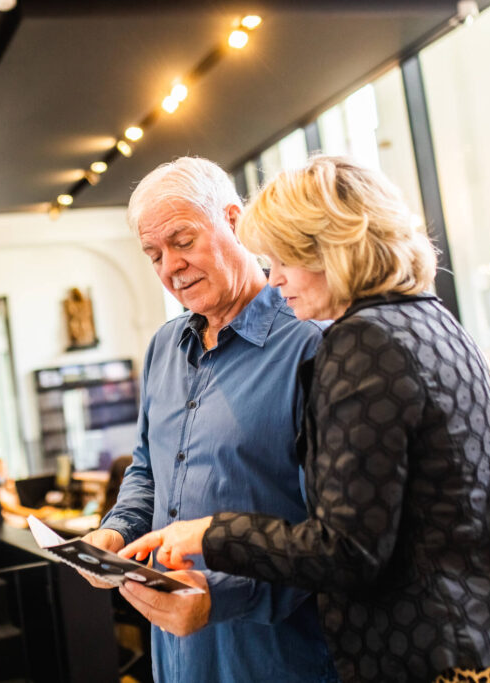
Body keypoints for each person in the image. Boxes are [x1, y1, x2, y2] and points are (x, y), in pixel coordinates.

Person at [121, 156, 490, 682]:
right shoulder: (432, 318)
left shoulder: (359, 340)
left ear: (334, 248)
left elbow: (348, 548)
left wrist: (210, 534)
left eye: (286, 258)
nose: (277, 277)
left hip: (435, 652)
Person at [80, 157, 337, 682]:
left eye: (183, 240)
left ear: (235, 222)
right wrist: (115, 531)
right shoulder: (162, 349)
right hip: (177, 661)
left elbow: (336, 536)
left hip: (277, 658)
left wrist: (220, 596)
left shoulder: (312, 344)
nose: (170, 266)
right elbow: (148, 469)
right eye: (154, 254)